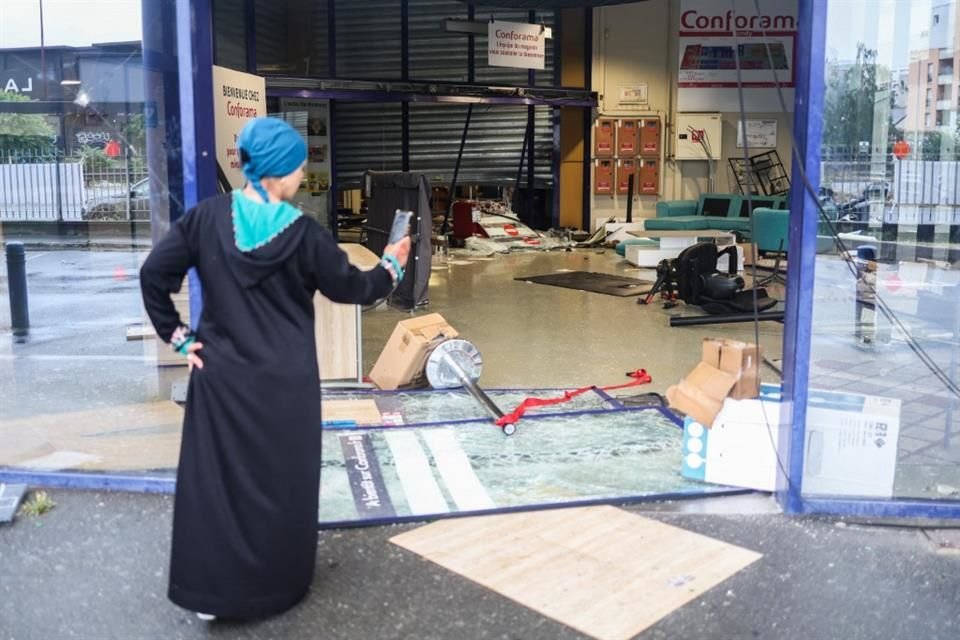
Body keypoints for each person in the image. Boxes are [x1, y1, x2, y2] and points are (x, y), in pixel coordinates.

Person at [139, 117, 410, 621]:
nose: (304, 173)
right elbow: (353, 288)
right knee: (281, 481)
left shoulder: (205, 219)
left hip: (220, 378)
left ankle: (211, 595)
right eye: (299, 166)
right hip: (285, 387)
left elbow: (154, 274)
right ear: (280, 174)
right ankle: (276, 583)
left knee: (217, 484)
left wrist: (179, 337)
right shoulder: (305, 236)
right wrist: (392, 264)